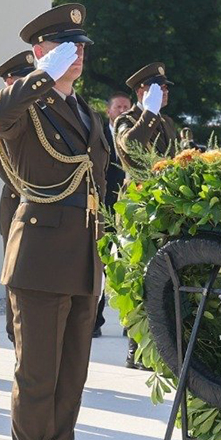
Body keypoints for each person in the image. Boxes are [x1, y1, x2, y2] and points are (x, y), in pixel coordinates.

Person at [0, 3, 109, 440]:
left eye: (80, 48)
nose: (76, 56)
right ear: (41, 51)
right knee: (36, 376)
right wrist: (40, 75)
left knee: (71, 377)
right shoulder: (26, 108)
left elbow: (105, 182)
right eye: (65, 47)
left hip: (84, 258)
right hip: (37, 259)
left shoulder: (87, 113)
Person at [115, 62, 185, 368]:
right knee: (139, 277)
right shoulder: (127, 120)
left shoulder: (167, 122)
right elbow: (130, 146)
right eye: (160, 88)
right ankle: (136, 346)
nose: (165, 92)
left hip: (165, 207)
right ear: (143, 91)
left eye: (166, 87)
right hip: (138, 206)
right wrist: (149, 112)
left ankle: (161, 345)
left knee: (164, 277)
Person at [0, 49, 37, 346]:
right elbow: (6, 168)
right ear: (9, 84)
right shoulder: (3, 119)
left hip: (38, 202)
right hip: (19, 200)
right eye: (22, 80)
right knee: (17, 276)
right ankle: (14, 331)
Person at [93, 93, 129, 338]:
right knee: (100, 266)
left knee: (128, 268)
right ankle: (94, 321)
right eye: (119, 107)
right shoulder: (99, 134)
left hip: (127, 212)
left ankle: (131, 323)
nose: (123, 111)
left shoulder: (133, 137)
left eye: (127, 107)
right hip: (103, 209)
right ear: (109, 111)